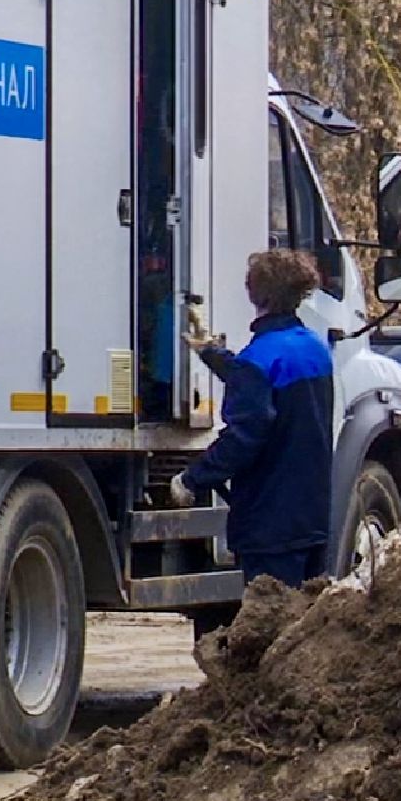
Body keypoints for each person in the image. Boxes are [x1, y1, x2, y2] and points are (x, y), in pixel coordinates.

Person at [168, 250, 334, 586]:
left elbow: (243, 437)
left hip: (269, 521)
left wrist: (192, 479)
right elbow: (271, 393)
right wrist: (211, 352)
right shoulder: (314, 348)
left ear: (257, 294)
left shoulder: (258, 358)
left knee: (272, 612)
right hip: (312, 517)